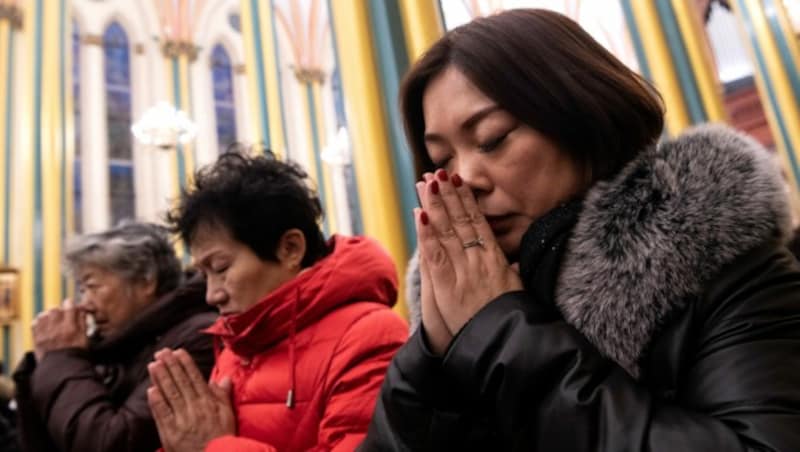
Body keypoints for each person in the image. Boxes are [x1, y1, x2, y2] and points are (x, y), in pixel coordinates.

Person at [362, 8, 800, 451]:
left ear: (578, 116)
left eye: (492, 138)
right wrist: (429, 365)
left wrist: (500, 333)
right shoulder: (454, 315)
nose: (466, 178)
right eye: (442, 162)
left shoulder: (729, 267)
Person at [146, 151, 408, 451]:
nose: (211, 294)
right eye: (204, 275)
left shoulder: (370, 335)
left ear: (290, 249)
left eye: (220, 268)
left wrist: (211, 446)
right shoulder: (241, 342)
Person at [13, 221, 216, 452]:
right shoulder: (118, 346)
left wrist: (62, 359)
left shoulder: (196, 338)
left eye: (93, 286)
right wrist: (46, 366)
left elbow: (112, 443)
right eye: (82, 290)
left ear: (145, 281)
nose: (85, 304)